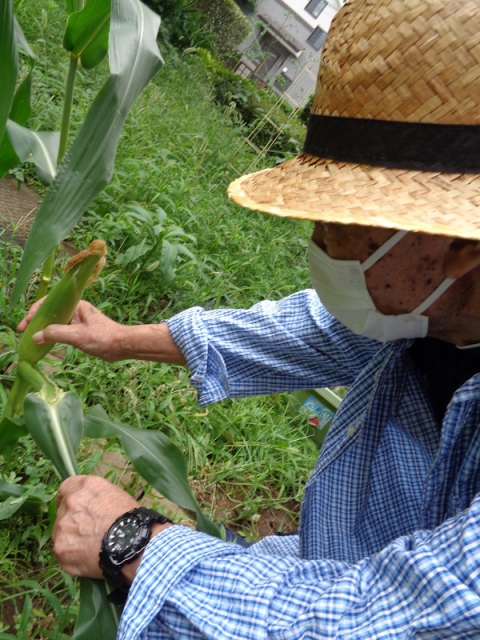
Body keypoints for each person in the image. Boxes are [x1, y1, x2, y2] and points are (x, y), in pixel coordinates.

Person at [19, 0, 480, 636]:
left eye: (341, 224)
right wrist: (120, 339)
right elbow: (313, 332)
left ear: (460, 247)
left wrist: (133, 543)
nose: (316, 243)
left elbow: (381, 614)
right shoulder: (428, 312)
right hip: (318, 550)